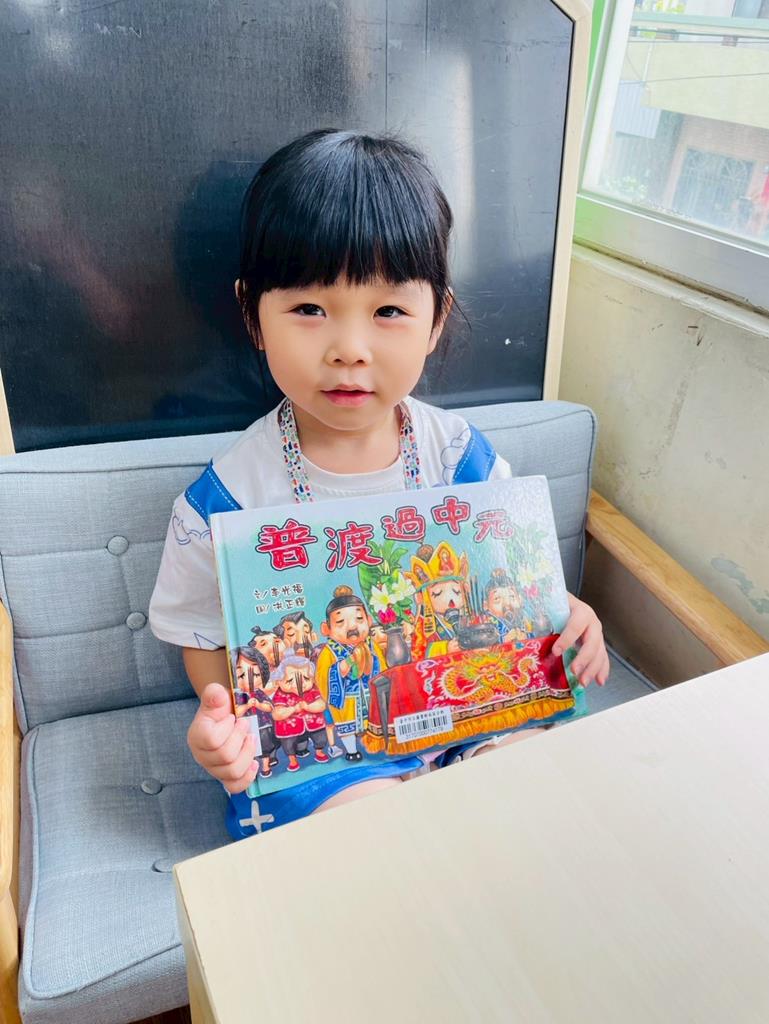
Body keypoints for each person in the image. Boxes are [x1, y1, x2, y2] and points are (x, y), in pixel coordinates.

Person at [148, 128, 609, 831]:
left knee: (534, 785)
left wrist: (567, 612)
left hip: (463, 705)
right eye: (309, 309)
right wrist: (227, 722)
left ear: (435, 319)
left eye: (389, 311)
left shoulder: (458, 456)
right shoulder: (228, 500)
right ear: (252, 315)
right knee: (375, 830)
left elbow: (509, 577)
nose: (349, 349)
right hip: (331, 753)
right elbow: (205, 638)